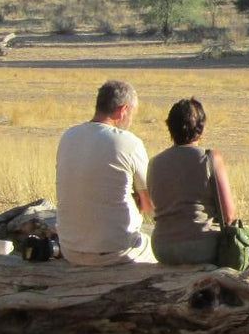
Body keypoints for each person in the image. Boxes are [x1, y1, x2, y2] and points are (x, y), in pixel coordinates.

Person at [55, 79, 155, 266]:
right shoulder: (129, 143)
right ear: (123, 110)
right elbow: (149, 204)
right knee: (155, 247)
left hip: (69, 248)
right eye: (132, 113)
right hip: (117, 251)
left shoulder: (69, 136)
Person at [147, 97, 237, 265]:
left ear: (170, 128)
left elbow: (154, 205)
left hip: (162, 248)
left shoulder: (154, 162)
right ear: (201, 129)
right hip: (202, 246)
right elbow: (229, 214)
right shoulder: (210, 158)